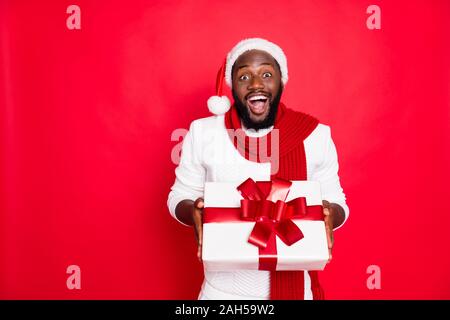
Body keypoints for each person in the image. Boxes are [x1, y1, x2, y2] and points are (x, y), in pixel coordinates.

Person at [167, 38, 349, 300]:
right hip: (221, 295)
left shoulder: (315, 135)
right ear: (232, 87)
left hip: (297, 291)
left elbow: (338, 200)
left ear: (281, 81)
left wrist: (330, 215)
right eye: (244, 77)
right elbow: (178, 196)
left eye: (266, 74)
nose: (255, 84)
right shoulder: (203, 131)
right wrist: (194, 211)